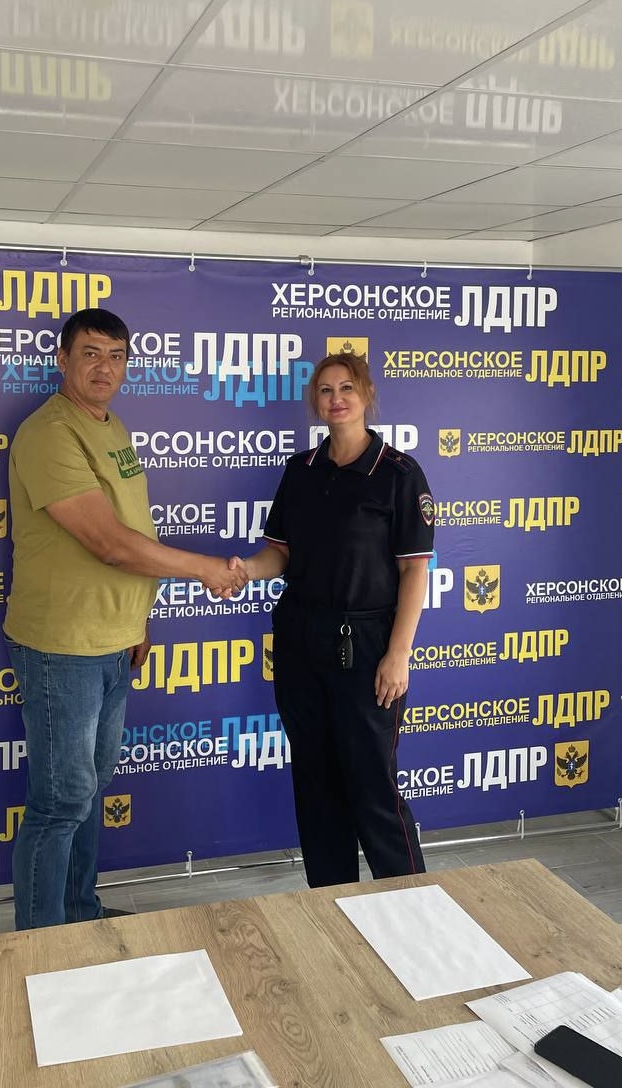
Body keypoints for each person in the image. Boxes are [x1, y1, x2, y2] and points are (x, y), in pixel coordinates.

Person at [3, 308, 246, 930]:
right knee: (60, 802)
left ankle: (80, 916)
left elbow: (133, 532)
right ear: (63, 359)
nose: (103, 368)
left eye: (116, 356)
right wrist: (205, 570)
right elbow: (108, 543)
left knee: (87, 791)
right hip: (64, 645)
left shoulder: (111, 426)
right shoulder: (48, 432)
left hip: (114, 640)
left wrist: (139, 620)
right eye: (90, 353)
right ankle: (41, 940)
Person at [230, 352, 434, 887]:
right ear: (315, 402)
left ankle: (411, 902)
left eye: (347, 387)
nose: (336, 398)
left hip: (367, 646)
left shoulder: (398, 473)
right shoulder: (300, 470)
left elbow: (414, 570)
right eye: (325, 390)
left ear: (367, 395)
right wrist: (245, 570)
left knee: (373, 786)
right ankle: (331, 903)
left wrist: (398, 654)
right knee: (316, 785)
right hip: (301, 642)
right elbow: (280, 554)